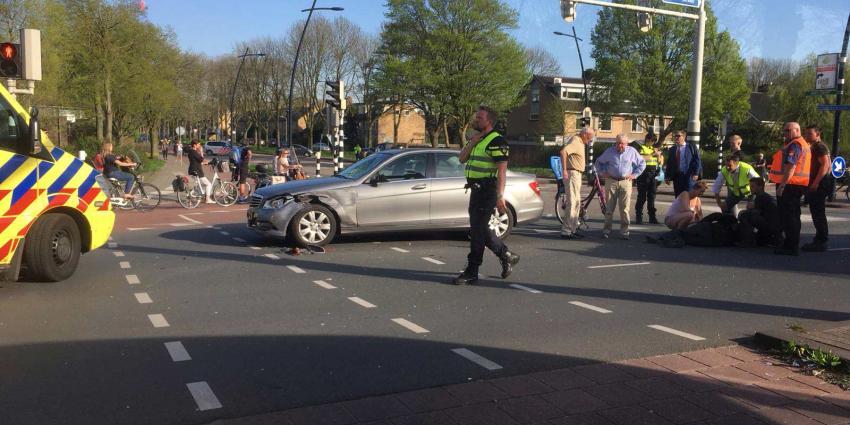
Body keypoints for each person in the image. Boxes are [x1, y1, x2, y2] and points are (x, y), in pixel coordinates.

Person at [453, 106, 519, 285]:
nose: (476, 120)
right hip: (475, 190)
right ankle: (506, 255)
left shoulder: (497, 141)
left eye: (480, 118)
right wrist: (472, 142)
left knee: (477, 232)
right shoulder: (478, 139)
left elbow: (502, 172)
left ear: (489, 121)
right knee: (480, 229)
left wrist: (500, 196)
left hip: (487, 190)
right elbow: (461, 158)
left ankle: (472, 270)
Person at [769, 122, 811, 256]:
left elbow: (790, 166)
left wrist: (782, 185)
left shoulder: (796, 144)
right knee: (791, 216)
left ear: (797, 130)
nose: (785, 133)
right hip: (794, 184)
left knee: (789, 216)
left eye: (788, 130)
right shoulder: (798, 143)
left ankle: (791, 246)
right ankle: (789, 244)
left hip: (791, 185)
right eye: (784, 131)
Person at [595, 133, 646, 240]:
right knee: (609, 208)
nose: (620, 146)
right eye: (618, 143)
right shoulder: (609, 151)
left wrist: (634, 175)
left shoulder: (632, 151)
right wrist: (602, 173)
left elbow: (642, 163)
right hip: (611, 181)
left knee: (625, 209)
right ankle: (606, 230)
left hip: (625, 182)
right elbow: (598, 162)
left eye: (622, 144)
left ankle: (625, 232)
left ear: (627, 143)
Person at [559, 126, 595, 239]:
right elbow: (563, 152)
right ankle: (566, 231)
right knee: (572, 202)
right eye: (589, 138)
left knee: (577, 202)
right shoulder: (576, 141)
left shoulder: (580, 142)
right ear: (584, 135)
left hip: (577, 174)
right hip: (572, 173)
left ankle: (573, 229)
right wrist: (564, 170)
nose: (589, 141)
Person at [802, 125, 832, 252]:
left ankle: (821, 240)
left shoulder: (819, 146)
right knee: (817, 212)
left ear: (817, 134)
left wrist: (815, 183)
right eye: (806, 133)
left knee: (818, 213)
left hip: (820, 183)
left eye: (810, 134)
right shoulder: (817, 146)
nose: (807, 136)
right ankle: (819, 239)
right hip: (820, 182)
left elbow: (825, 165)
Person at [712, 152, 759, 217]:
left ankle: (750, 225)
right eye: (726, 165)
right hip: (736, 193)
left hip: (751, 192)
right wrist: (719, 203)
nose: (727, 167)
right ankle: (730, 224)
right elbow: (716, 187)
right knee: (725, 207)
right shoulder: (724, 170)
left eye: (730, 165)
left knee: (751, 209)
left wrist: (754, 201)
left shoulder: (746, 168)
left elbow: (759, 183)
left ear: (736, 164)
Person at [736, 177, 779, 247]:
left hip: (771, 225)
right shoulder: (765, 196)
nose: (750, 188)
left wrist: (745, 211)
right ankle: (771, 239)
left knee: (745, 215)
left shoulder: (761, 197)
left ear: (760, 187)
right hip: (775, 225)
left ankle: (747, 241)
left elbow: (755, 213)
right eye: (750, 186)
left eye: (753, 186)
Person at [632, 132, 664, 224]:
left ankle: (652, 217)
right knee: (642, 196)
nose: (648, 142)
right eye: (647, 140)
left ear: (654, 141)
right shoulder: (641, 147)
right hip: (643, 174)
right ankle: (639, 216)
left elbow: (660, 162)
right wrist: (652, 154)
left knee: (652, 196)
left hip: (653, 174)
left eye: (650, 141)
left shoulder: (654, 149)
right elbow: (639, 158)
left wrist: (658, 156)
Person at [665, 130, 702, 197]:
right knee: (678, 197)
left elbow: (697, 160)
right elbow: (669, 163)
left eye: (678, 136)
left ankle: (688, 207)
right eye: (675, 136)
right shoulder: (672, 149)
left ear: (684, 137)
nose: (676, 138)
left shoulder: (691, 147)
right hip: (677, 176)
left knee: (689, 195)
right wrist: (667, 177)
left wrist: (696, 173)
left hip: (689, 176)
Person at [187, 139, 213, 204]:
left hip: (192, 169)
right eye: (198, 144)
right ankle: (207, 199)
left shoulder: (191, 151)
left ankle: (199, 197)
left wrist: (205, 163)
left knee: (198, 185)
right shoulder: (194, 152)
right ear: (195, 145)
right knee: (208, 184)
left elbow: (196, 161)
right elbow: (201, 159)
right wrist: (201, 152)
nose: (200, 145)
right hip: (197, 171)